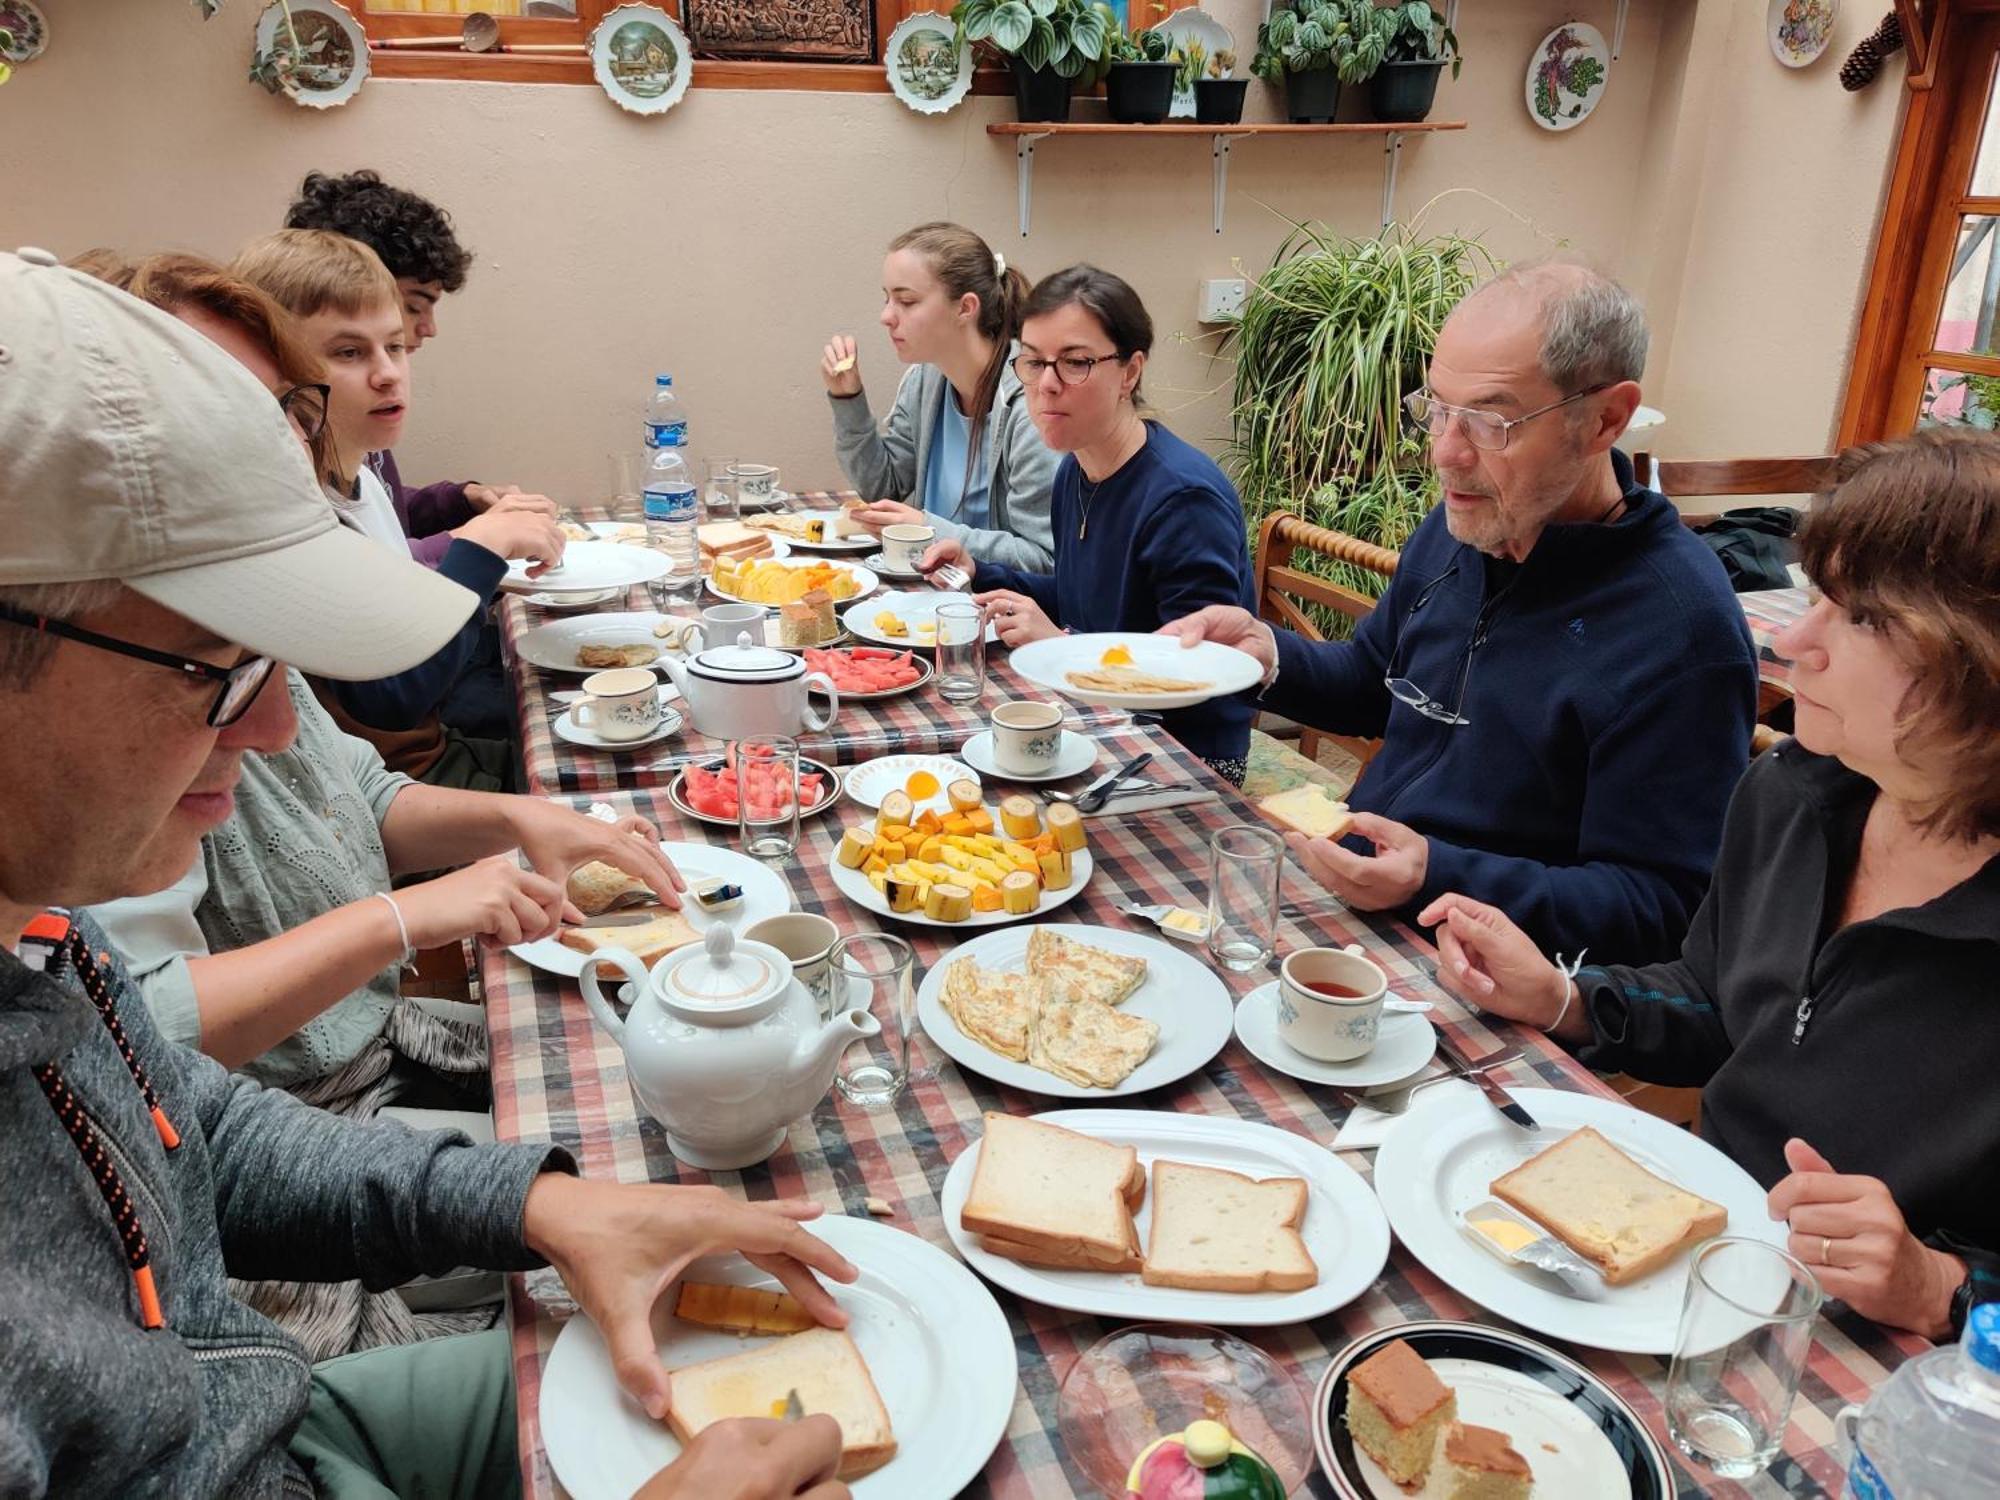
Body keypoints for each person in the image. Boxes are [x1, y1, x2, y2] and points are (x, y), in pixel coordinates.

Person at [0, 247, 852, 1498]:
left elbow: (184, 1123)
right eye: (209, 666)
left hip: (269, 1424)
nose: (278, 727)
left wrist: (539, 1207)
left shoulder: (38, 930)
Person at [78, 249, 678, 1357]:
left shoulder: (234, 621)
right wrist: (408, 917)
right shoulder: (103, 763)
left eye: (285, 415)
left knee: (641, 1098)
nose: (260, 726)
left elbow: (349, 777)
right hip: (316, 1134)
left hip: (352, 1074)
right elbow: (150, 1041)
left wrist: (514, 822)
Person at [1419, 429, 2000, 1341]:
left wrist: (1944, 1288)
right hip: (1690, 1265)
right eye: (1818, 596)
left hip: (1888, 1369)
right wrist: (1568, 998)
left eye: (1864, 618)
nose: (1797, 639)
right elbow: (1721, 1004)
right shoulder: (1793, 794)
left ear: (1982, 665)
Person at [1163, 261, 1756, 959]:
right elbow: (1371, 682)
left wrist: (1435, 874)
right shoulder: (1463, 531)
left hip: (1486, 975)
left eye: (1492, 421)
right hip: (1354, 907)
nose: (1445, 452)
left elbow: (1662, 906)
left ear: (1606, 419)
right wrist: (1269, 655)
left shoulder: (1682, 632)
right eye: (1438, 409)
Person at [919, 265, 1257, 779]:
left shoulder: (1183, 499)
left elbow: (1196, 670)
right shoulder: (1076, 470)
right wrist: (981, 571)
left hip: (1183, 757)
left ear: (1130, 371)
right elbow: (1088, 598)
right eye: (1032, 363)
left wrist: (1060, 645)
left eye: (1075, 362)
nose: (1046, 386)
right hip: (1095, 720)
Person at [234, 229, 541, 779]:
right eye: (349, 352)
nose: (388, 372)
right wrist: (480, 549)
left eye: (394, 346)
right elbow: (394, 698)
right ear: (276, 370)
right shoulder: (300, 520)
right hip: (397, 785)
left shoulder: (364, 479)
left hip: (432, 751)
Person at [283, 167, 565, 570]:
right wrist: (475, 541)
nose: (429, 329)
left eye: (394, 346)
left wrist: (459, 500)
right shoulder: (297, 441)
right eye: (413, 306)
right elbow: (364, 573)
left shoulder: (363, 413)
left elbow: (381, 512)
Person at [823, 223, 1059, 568]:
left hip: (991, 610)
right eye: (887, 299)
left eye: (906, 301)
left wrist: (928, 530)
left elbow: (1044, 558)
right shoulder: (925, 380)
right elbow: (883, 488)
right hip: (931, 592)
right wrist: (848, 400)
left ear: (965, 308)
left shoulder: (1032, 406)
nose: (886, 316)